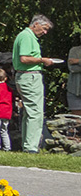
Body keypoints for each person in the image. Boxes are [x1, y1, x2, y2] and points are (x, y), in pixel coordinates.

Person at [13, 14, 58, 152]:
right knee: (36, 113)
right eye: (44, 29)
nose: (45, 32)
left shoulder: (27, 36)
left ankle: (27, 145)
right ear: (35, 24)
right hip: (29, 77)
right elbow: (24, 59)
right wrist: (42, 60)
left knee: (29, 112)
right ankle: (31, 147)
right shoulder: (26, 36)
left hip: (26, 77)